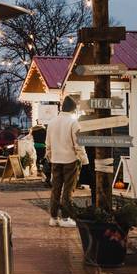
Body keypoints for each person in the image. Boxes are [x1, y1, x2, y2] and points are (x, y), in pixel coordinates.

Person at [45, 96, 89, 228]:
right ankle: (65, 217)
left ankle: (53, 218)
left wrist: (50, 156)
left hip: (55, 160)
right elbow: (79, 144)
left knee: (56, 189)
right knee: (68, 190)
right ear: (73, 109)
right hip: (70, 160)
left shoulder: (52, 122)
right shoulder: (73, 122)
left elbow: (48, 144)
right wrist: (84, 160)